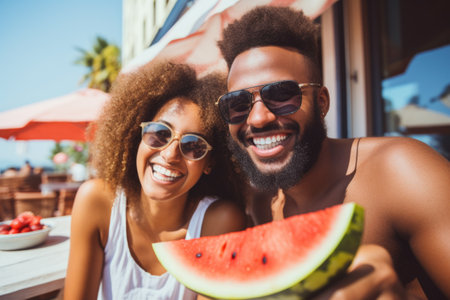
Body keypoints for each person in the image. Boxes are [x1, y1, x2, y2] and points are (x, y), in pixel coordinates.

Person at [216, 6, 450, 299]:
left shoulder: (401, 171)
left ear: (322, 101)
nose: (258, 118)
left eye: (281, 95)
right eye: (237, 104)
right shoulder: (262, 205)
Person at [64, 62, 247, 300]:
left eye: (193, 146)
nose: (170, 154)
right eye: (160, 133)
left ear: (210, 163)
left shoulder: (220, 221)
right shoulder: (96, 202)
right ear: (136, 136)